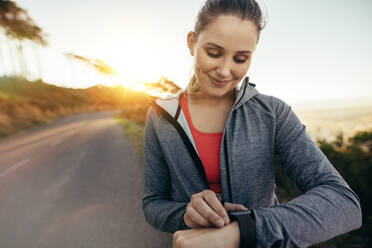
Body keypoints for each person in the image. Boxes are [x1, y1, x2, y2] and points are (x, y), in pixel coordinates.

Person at [142, 0, 362, 247]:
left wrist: (243, 229)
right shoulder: (160, 116)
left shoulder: (272, 112)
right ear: (192, 43)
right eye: (213, 53)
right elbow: (153, 203)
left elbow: (344, 203)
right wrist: (185, 214)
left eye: (240, 58)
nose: (225, 71)